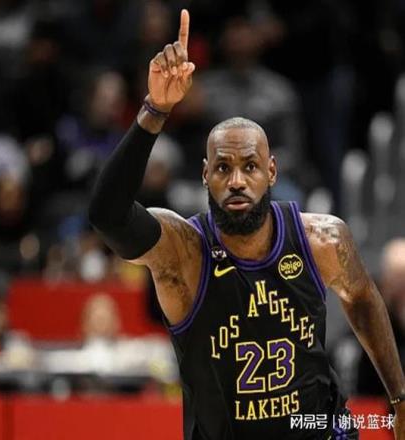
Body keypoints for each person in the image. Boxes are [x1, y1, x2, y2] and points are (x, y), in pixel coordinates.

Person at [89, 9, 405, 440]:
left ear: (271, 172)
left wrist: (398, 397)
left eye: (250, 166)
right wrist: (155, 109)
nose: (236, 180)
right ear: (205, 176)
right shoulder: (184, 251)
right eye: (223, 168)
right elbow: (107, 215)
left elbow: (363, 298)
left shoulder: (322, 239)